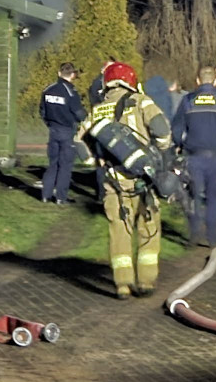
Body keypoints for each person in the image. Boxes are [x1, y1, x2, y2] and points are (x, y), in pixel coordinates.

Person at [78, 61, 171, 299]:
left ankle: (122, 284)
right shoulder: (141, 101)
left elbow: (78, 142)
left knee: (119, 230)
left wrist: (93, 162)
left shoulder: (98, 109)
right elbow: (161, 128)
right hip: (144, 179)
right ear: (131, 81)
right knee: (148, 226)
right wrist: (159, 149)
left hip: (113, 182)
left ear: (106, 83)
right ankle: (147, 282)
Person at [171, 66, 216, 248]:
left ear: (197, 80)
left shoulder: (188, 101)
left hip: (193, 156)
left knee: (194, 196)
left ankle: (194, 235)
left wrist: (178, 144)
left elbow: (177, 128)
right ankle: (212, 238)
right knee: (213, 198)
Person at [39, 62, 87, 204]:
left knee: (53, 163)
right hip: (67, 131)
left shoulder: (48, 90)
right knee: (65, 165)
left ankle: (45, 195)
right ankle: (61, 197)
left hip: (53, 130)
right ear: (72, 75)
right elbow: (79, 113)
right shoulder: (71, 92)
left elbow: (42, 111)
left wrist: (49, 124)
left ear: (59, 73)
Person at [87, 57, 116, 202]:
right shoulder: (98, 84)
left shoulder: (115, 84)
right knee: (102, 162)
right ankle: (102, 194)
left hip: (113, 128)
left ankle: (112, 192)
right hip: (102, 128)